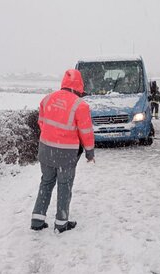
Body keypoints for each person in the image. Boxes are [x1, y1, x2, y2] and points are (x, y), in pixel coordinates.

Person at [31, 69, 95, 233]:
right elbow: (85, 131)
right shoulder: (80, 105)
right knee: (64, 186)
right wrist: (89, 152)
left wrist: (51, 139)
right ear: (80, 85)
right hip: (66, 154)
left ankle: (37, 220)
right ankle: (61, 223)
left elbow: (42, 123)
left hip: (46, 150)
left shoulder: (47, 99)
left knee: (46, 182)